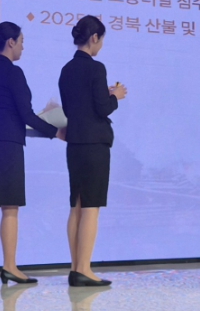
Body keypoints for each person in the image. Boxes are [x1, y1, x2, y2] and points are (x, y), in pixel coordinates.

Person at [59, 15, 127, 287]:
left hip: (75, 143)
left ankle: (75, 267)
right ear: (94, 37)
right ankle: (84, 269)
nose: (101, 45)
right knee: (91, 206)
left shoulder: (66, 69)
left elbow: (71, 107)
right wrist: (115, 96)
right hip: (94, 144)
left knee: (76, 204)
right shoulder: (96, 68)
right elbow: (102, 108)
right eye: (101, 40)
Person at [0, 22, 65, 285]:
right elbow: (25, 115)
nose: (23, 47)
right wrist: (55, 131)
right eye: (22, 41)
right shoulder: (13, 73)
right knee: (9, 207)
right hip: (7, 144)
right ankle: (10, 267)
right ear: (11, 42)